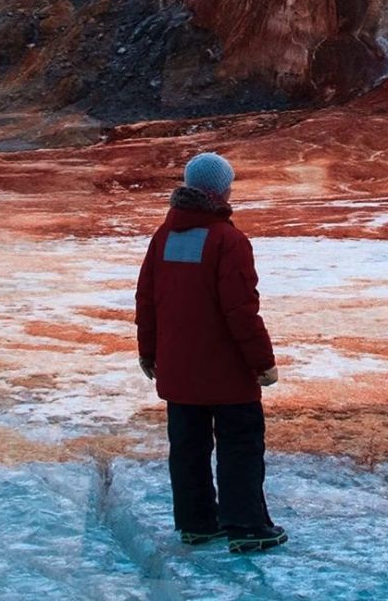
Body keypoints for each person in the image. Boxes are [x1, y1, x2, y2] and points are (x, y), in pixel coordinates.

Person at [135, 151, 286, 554]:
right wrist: (263, 362)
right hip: (227, 374)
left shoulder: (164, 237)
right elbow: (240, 310)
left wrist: (148, 353)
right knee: (240, 446)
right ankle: (248, 526)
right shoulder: (227, 240)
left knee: (188, 448)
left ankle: (197, 522)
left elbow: (147, 300)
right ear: (220, 190)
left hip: (179, 371)